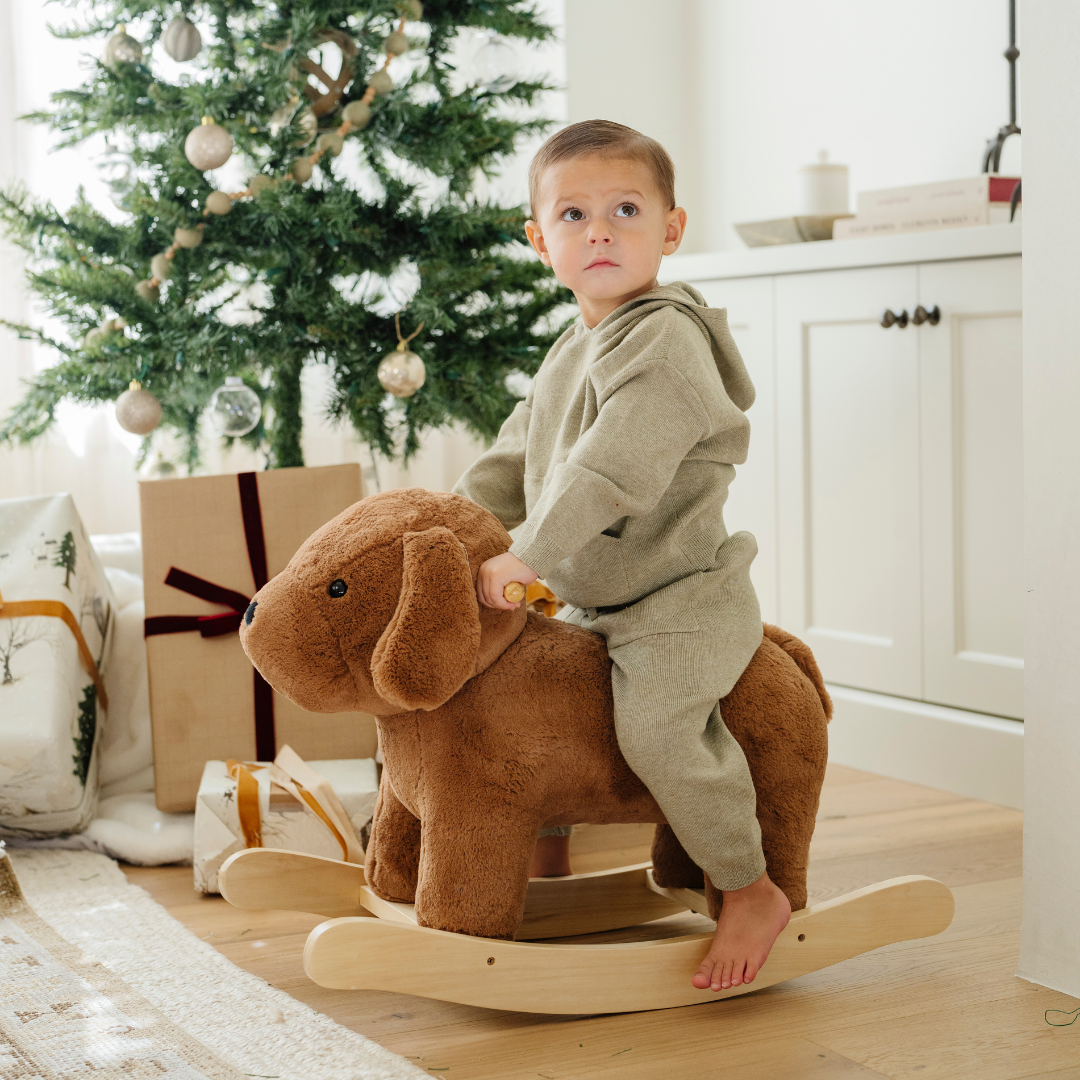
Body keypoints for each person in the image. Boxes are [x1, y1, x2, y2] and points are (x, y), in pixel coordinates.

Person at [452, 120, 791, 994]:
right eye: (573, 214)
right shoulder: (571, 347)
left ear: (670, 230)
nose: (598, 230)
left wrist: (524, 557)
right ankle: (542, 857)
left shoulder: (665, 341)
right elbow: (510, 462)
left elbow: (608, 474)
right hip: (594, 600)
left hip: (676, 598)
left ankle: (750, 888)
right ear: (540, 240)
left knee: (657, 728)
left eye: (625, 210)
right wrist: (445, 529)